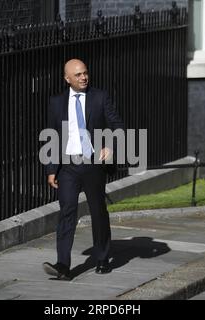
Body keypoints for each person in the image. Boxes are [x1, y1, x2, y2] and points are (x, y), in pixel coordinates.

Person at [42, 59, 124, 280]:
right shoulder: (56, 102)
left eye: (85, 73)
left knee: (98, 211)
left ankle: (102, 257)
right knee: (67, 211)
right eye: (77, 75)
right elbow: (52, 137)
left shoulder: (100, 97)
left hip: (93, 163)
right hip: (68, 167)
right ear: (67, 78)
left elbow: (118, 126)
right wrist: (51, 169)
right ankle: (63, 265)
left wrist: (110, 145)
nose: (83, 77)